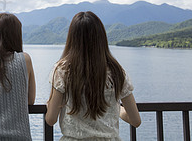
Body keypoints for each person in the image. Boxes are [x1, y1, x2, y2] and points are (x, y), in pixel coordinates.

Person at [45, 11, 141, 140]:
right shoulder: (117, 72)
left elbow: (51, 119)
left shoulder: (63, 70)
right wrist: (116, 108)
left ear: (72, 38)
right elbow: (136, 121)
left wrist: (49, 105)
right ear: (101, 38)